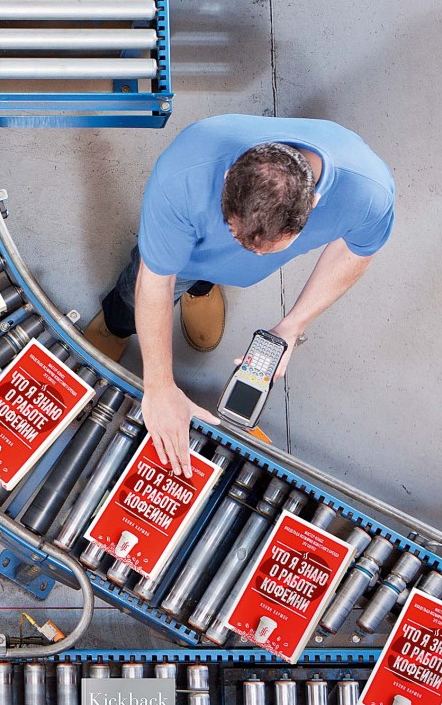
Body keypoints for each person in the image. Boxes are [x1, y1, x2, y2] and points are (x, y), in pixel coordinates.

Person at [82, 115, 395, 477]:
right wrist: (159, 386)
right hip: (183, 257)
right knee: (132, 300)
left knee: (209, 272)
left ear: (313, 203)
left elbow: (357, 250)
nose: (255, 253)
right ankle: (115, 324)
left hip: (215, 261)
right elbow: (156, 281)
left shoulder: (368, 193)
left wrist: (291, 328)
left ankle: (202, 288)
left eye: (270, 247)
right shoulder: (185, 172)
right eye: (235, 234)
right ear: (229, 177)